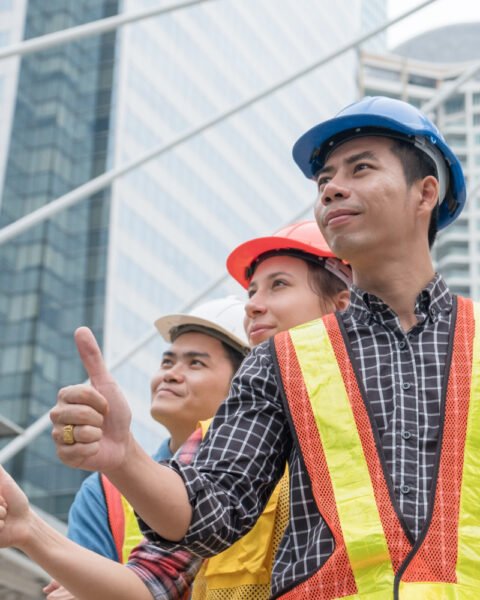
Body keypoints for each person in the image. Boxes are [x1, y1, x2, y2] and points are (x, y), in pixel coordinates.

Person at [3, 95, 477, 598]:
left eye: (361, 169)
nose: (333, 190)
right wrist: (125, 459)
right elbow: (215, 512)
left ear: (425, 192)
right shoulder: (283, 361)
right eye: (323, 182)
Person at [45, 296, 250, 598]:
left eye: (196, 363)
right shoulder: (105, 491)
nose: (170, 373)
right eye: (168, 361)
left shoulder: (278, 476)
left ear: (245, 383)